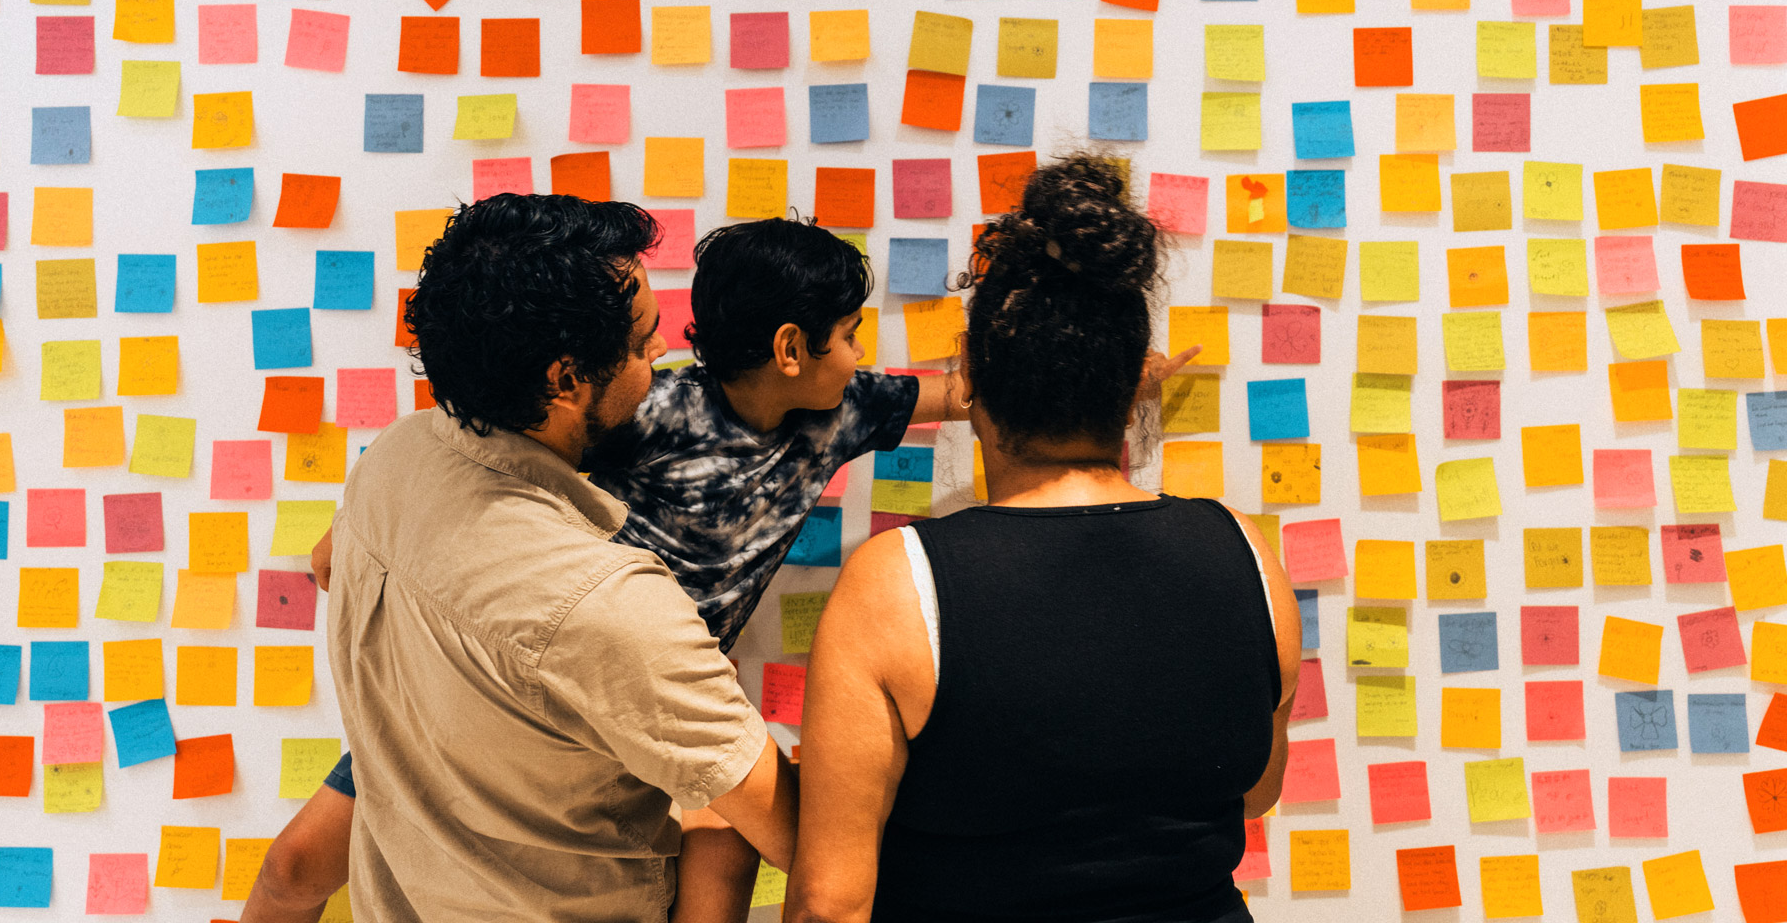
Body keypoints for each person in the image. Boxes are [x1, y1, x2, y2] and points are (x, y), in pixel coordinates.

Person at [245, 209, 1202, 922]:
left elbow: (962, 394)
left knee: (716, 837)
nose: (659, 352)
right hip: (582, 667)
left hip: (653, 690)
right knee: (299, 866)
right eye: (639, 341)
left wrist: (1104, 372)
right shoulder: (643, 431)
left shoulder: (840, 411)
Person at [787, 154, 1302, 923]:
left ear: (965, 376)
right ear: (1135, 383)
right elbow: (1256, 790)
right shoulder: (1246, 553)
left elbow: (831, 904)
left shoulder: (898, 583)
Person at [314, 194, 797, 923]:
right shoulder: (606, 601)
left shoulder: (392, 457)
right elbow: (796, 834)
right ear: (566, 381)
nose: (663, 354)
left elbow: (332, 570)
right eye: (642, 344)